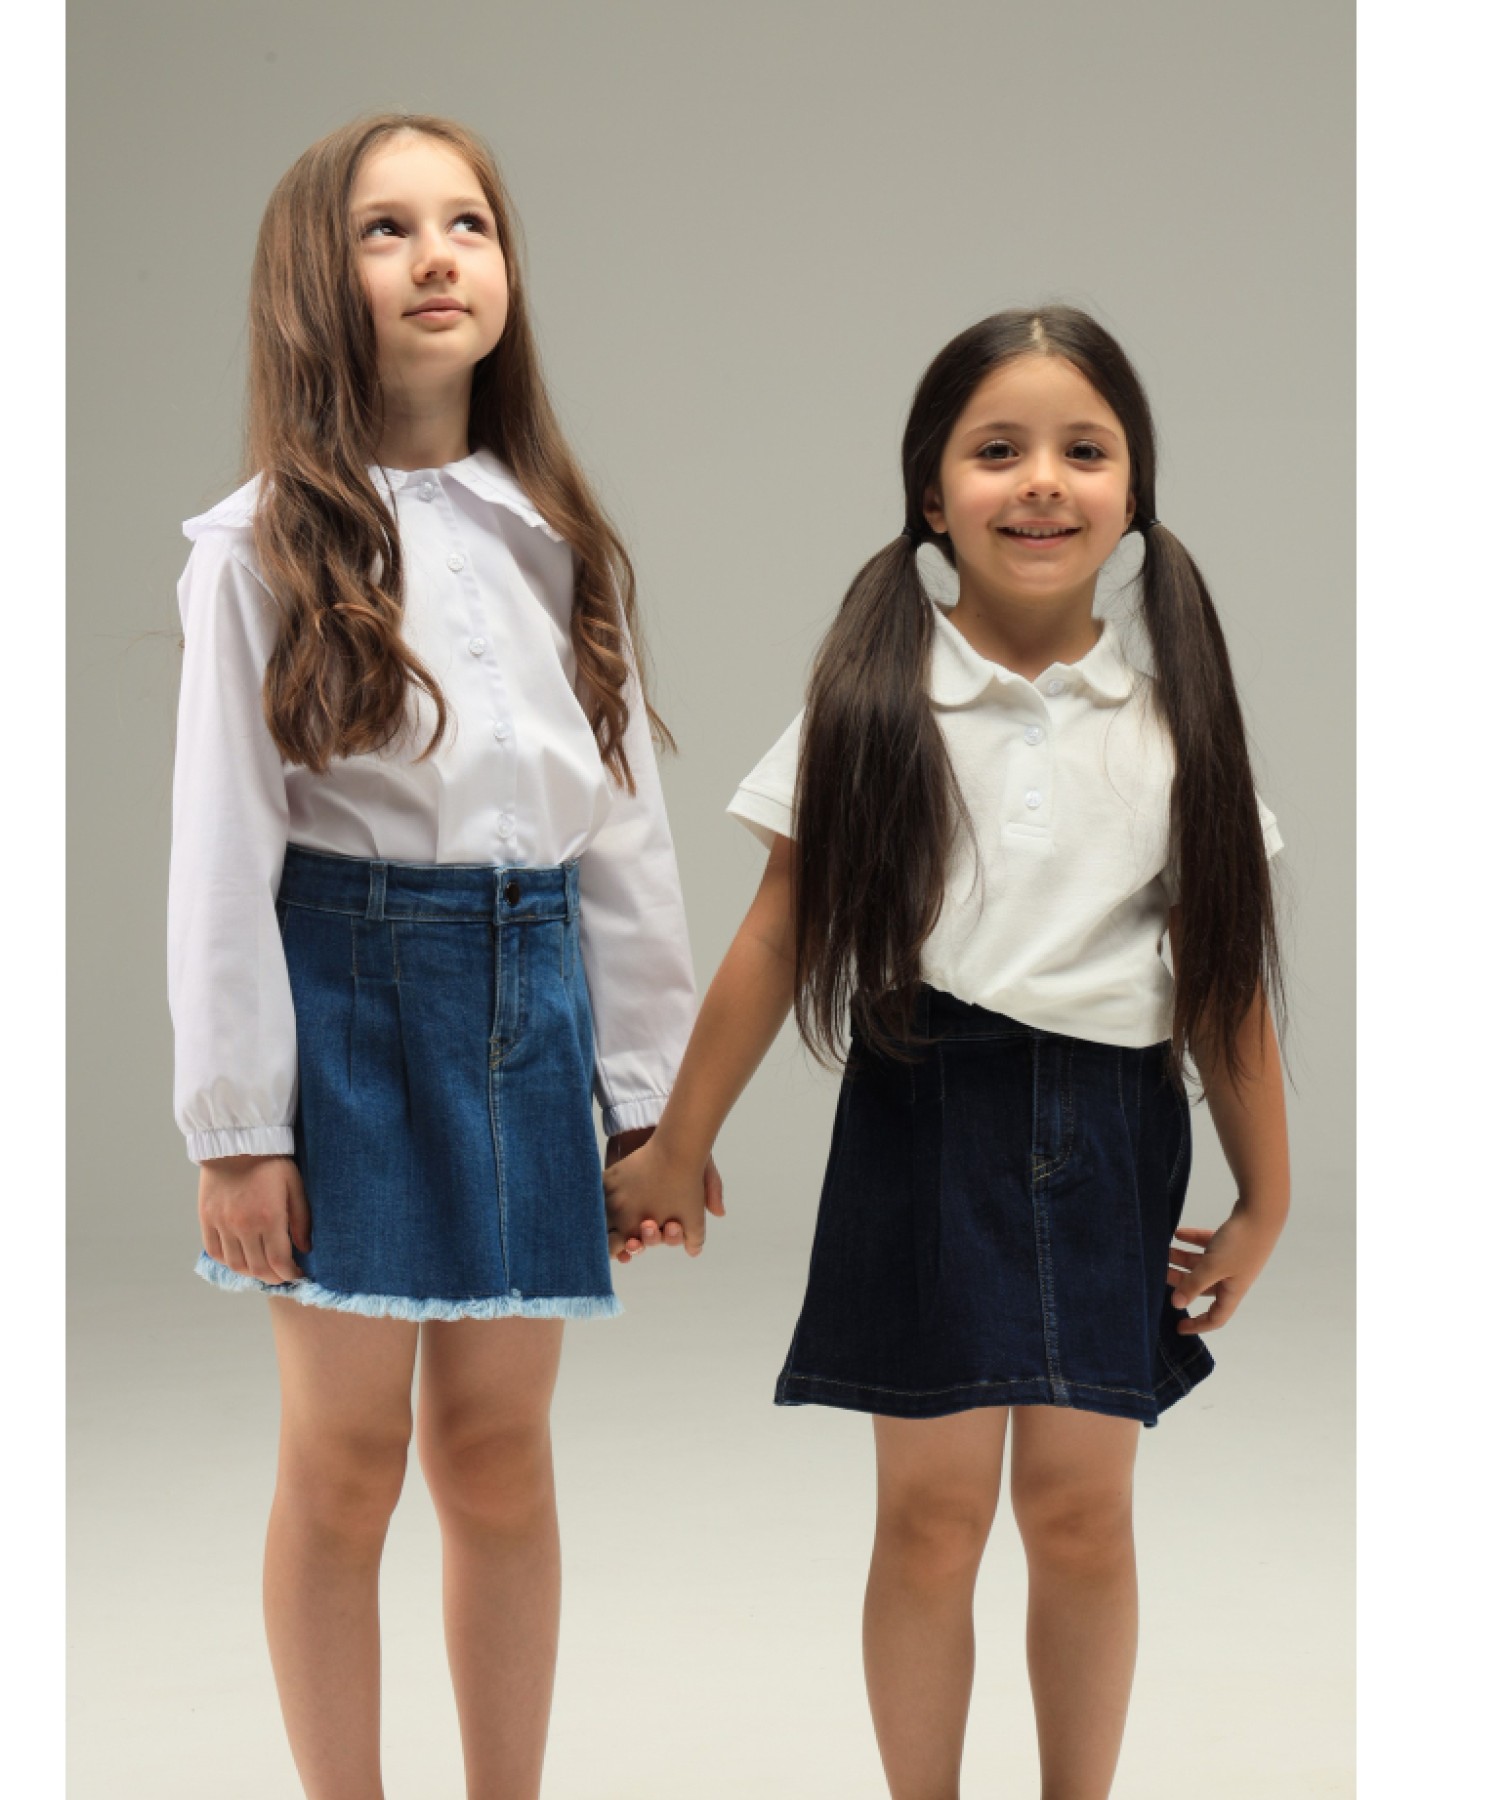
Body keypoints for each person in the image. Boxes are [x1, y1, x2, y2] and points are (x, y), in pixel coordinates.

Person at [604, 305, 1290, 1799]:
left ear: (1134, 490)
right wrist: (676, 1140)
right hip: (925, 1119)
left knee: (1084, 1515)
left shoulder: (1177, 728)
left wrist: (1267, 1196)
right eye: (998, 451)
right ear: (933, 492)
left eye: (1084, 450)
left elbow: (1225, 978)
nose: (1041, 480)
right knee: (928, 1520)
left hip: (1109, 1136)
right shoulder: (873, 705)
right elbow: (777, 935)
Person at [166, 112, 706, 1800]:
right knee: (345, 1464)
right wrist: (238, 1128)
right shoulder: (257, 547)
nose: (436, 258)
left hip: (529, 1007)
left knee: (498, 1455)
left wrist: (653, 1101)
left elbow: (622, 837)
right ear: (313, 280)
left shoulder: (556, 539)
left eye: (467, 223)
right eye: (386, 229)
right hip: (352, 1005)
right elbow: (222, 851)